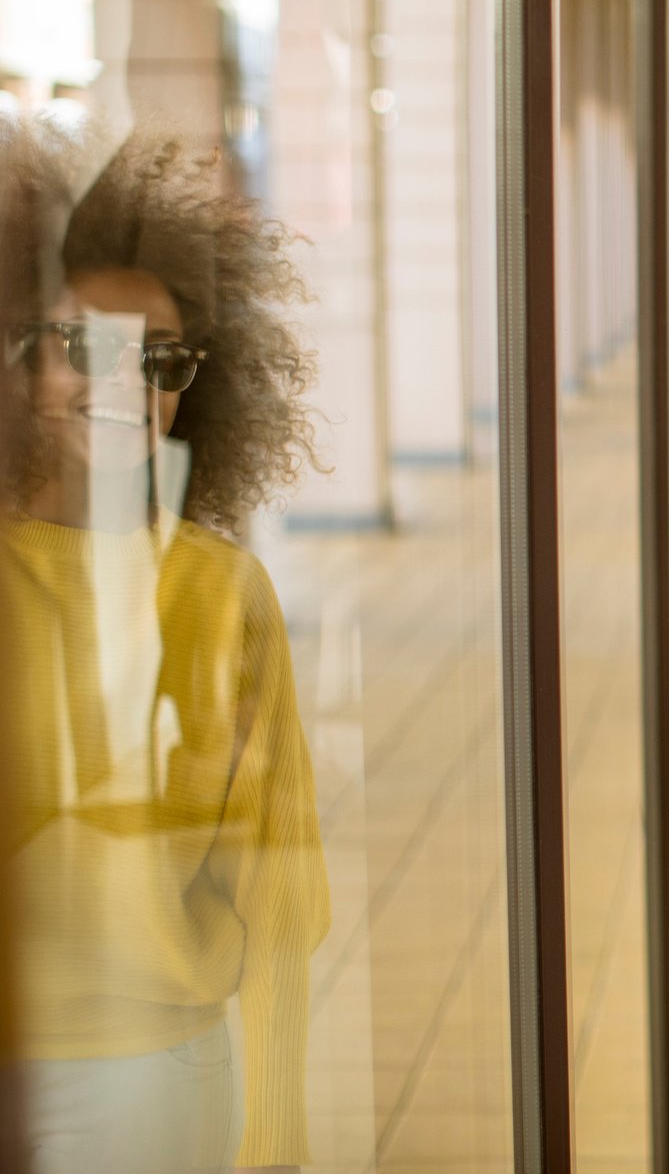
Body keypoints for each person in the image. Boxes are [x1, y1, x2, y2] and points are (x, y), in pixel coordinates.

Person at [0, 120, 330, 1174]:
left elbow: (278, 898)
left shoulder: (220, 594)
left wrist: (274, 1136)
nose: (127, 385)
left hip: (149, 1077)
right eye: (78, 347)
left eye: (164, 357)